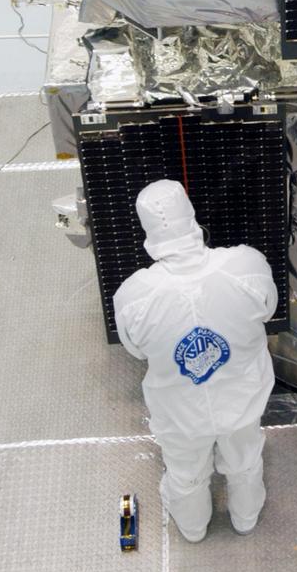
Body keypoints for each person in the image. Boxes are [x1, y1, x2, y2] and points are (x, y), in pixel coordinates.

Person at [113, 179, 278, 542]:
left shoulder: (133, 299)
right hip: (244, 399)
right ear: (191, 217)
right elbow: (268, 309)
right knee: (245, 458)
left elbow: (136, 351)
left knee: (185, 473)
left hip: (180, 413)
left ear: (148, 231)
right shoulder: (247, 267)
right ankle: (245, 518)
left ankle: (193, 528)